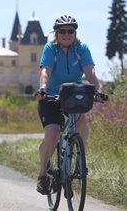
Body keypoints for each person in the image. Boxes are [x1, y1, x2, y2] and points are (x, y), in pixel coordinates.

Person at [34, 15, 103, 195]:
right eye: (62, 31)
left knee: (82, 124)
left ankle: (79, 160)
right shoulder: (51, 48)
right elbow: (45, 71)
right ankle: (42, 174)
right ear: (57, 33)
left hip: (73, 94)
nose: (66, 34)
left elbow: (90, 72)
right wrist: (43, 88)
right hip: (50, 96)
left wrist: (97, 90)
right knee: (52, 134)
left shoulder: (82, 49)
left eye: (70, 30)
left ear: (75, 32)